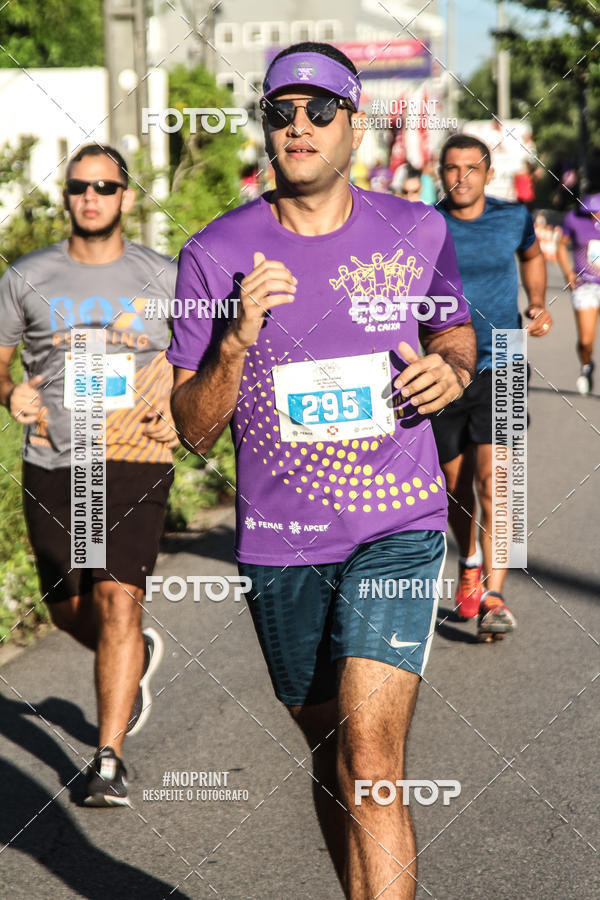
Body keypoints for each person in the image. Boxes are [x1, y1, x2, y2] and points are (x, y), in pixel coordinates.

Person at [169, 42, 476, 899]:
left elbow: (454, 329)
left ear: (355, 124)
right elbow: (193, 430)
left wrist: (449, 368)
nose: (297, 125)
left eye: (318, 109)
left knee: (372, 755)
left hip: (398, 524)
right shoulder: (214, 251)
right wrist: (233, 344)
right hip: (282, 543)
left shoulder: (415, 229)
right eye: (280, 110)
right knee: (327, 747)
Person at [0, 144, 178, 806]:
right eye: (80, 186)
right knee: (68, 603)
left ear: (126, 197)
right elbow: (2, 362)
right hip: (54, 455)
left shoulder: (166, 277)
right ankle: (131, 654)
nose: (92, 196)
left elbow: (201, 356)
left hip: (133, 454)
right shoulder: (27, 276)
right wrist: (9, 394)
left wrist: (174, 396)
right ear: (68, 196)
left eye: (106, 186)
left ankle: (107, 760)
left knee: (116, 594)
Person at [433, 134, 552, 638]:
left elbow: (531, 257)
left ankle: (495, 595)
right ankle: (470, 562)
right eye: (451, 168)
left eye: (471, 168)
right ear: (439, 173)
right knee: (456, 488)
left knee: (494, 481)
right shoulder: (424, 224)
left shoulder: (512, 218)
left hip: (502, 356)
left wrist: (539, 301)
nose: (461, 178)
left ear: (487, 174)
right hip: (440, 367)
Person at [556, 190, 600, 394]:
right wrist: (568, 273)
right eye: (589, 212)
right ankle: (586, 365)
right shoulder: (574, 219)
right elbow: (560, 245)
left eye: (597, 212)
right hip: (586, 285)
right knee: (585, 341)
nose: (593, 216)